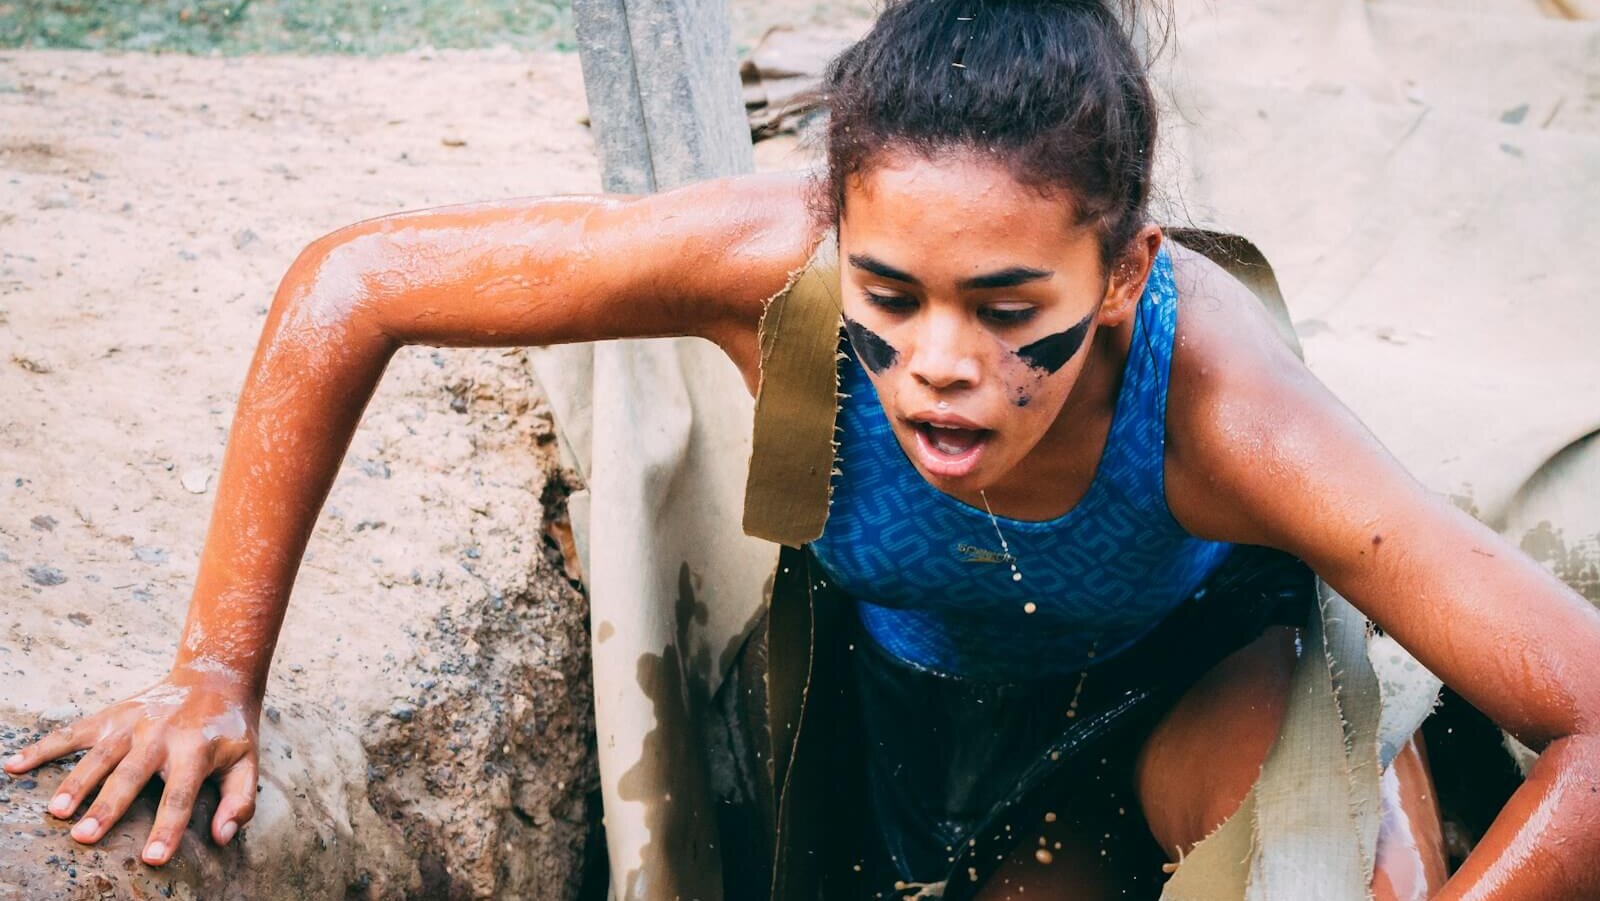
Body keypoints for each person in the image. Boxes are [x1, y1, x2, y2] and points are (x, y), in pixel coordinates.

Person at [7, 0, 1599, 897]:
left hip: (1193, 673)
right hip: (921, 717)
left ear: (1122, 274)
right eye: (892, 296)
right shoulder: (765, 267)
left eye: (1007, 307)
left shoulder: (1228, 408)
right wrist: (215, 664)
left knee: (1335, 878)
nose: (939, 368)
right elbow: (354, 283)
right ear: (836, 233)